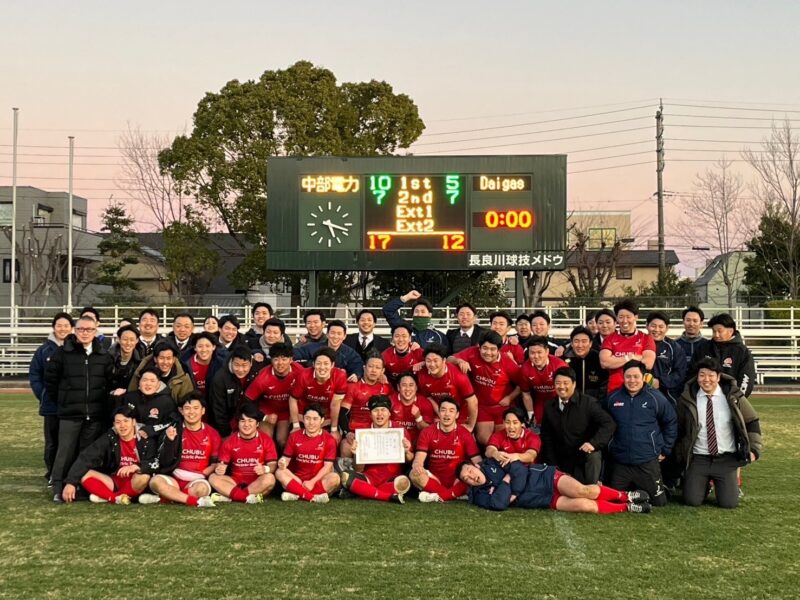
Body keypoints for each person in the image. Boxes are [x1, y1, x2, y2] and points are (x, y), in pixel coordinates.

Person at [674, 358, 762, 509]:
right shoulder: (687, 399)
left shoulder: (733, 397)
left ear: (719, 377)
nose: (706, 380)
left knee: (729, 503)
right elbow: (679, 428)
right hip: (699, 458)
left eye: (711, 375)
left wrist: (754, 449)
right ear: (697, 376)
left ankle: (722, 482)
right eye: (702, 375)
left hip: (725, 458)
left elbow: (751, 421)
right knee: (692, 500)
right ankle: (702, 484)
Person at [45, 315, 114, 503]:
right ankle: (59, 487)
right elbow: (51, 381)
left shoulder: (103, 355)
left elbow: (109, 383)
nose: (85, 333)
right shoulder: (62, 353)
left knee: (86, 454)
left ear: (95, 331)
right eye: (81, 329)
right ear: (75, 331)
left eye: (89, 329)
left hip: (95, 414)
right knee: (65, 451)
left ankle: (80, 487)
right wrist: (64, 401)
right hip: (69, 414)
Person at [61, 406, 171, 505]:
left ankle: (109, 496)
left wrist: (137, 467)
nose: (122, 426)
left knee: (144, 477)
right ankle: (116, 498)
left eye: (126, 421)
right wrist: (71, 483)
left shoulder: (145, 438)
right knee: (85, 474)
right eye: (118, 422)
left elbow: (156, 462)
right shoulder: (110, 437)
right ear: (114, 424)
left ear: (134, 422)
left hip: (136, 481)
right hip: (115, 481)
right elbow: (86, 457)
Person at [603, 360, 677, 507]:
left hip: (647, 461)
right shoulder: (612, 398)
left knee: (659, 503)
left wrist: (665, 449)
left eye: (636, 376)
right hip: (620, 461)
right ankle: (634, 490)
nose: (632, 381)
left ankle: (658, 487)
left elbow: (671, 422)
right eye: (628, 377)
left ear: (643, 377)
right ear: (623, 377)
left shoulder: (656, 398)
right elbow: (603, 424)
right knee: (614, 500)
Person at [458, 459, 651, 513]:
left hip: (546, 477)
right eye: (466, 478)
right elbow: (498, 504)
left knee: (582, 491)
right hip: (541, 499)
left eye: (470, 471)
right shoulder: (478, 495)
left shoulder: (492, 462)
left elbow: (518, 468)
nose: (471, 477)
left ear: (475, 466)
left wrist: (512, 488)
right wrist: (508, 480)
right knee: (586, 505)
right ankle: (627, 507)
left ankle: (625, 495)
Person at [139, 393, 220, 508]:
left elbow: (215, 463)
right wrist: (169, 441)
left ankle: (165, 498)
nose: (191, 412)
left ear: (203, 411)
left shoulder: (213, 434)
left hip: (197, 480)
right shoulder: (173, 430)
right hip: (174, 479)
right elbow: (164, 462)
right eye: (187, 408)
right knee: (155, 481)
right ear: (181, 411)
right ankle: (192, 501)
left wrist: (202, 474)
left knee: (201, 489)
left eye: (196, 408)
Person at [540, 367, 616, 484]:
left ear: (574, 384)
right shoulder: (549, 406)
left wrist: (593, 443)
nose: (561, 387)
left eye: (566, 383)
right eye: (558, 383)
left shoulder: (588, 403)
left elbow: (608, 423)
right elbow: (546, 436)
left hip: (582, 456)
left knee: (594, 455)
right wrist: (552, 464)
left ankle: (592, 487)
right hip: (561, 458)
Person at [339, 395, 414, 504]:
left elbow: (410, 459)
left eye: (383, 410)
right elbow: (358, 469)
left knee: (404, 482)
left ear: (389, 413)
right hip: (369, 477)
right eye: (376, 410)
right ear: (370, 414)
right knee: (345, 476)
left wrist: (407, 451)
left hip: (392, 479)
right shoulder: (363, 432)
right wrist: (356, 454)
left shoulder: (400, 431)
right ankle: (387, 497)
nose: (380, 414)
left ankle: (363, 492)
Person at [451, 331, 521, 446]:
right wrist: (459, 361)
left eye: (492, 349)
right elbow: (449, 359)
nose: (488, 353)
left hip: (502, 407)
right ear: (479, 347)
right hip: (482, 407)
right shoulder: (472, 352)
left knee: (505, 441)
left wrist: (509, 397)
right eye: (485, 348)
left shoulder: (507, 362)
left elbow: (522, 385)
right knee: (483, 439)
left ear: (499, 349)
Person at [29, 311, 74, 485]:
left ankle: (67, 473)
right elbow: (35, 375)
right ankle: (52, 474)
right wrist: (43, 394)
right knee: (52, 442)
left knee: (68, 442)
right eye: (59, 325)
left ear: (71, 328)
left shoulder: (76, 348)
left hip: (71, 405)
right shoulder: (43, 350)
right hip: (51, 405)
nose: (62, 329)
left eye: (66, 325)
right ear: (53, 328)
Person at [410, 397, 482, 502]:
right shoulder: (427, 432)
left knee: (475, 475)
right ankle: (451, 494)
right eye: (443, 410)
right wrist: (417, 466)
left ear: (457, 415)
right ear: (438, 413)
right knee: (414, 473)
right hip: (435, 479)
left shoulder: (465, 433)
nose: (447, 414)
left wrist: (480, 471)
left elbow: (477, 460)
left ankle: (438, 496)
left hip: (458, 479)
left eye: (451, 411)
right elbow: (418, 460)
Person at [209, 403, 277, 504]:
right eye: (242, 421)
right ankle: (246, 498)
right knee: (213, 477)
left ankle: (233, 496)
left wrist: (265, 469)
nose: (246, 424)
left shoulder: (266, 440)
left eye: (250, 421)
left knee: (270, 478)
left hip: (257, 482)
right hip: (235, 482)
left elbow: (273, 464)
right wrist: (220, 469)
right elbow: (221, 464)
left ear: (257, 424)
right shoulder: (229, 441)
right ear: (238, 423)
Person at [275, 403, 341, 503]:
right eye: (307, 418)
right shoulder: (294, 436)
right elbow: (285, 460)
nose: (311, 422)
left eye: (315, 419)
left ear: (322, 420)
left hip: (317, 480)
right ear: (303, 419)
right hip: (297, 480)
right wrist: (282, 462)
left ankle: (297, 494)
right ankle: (313, 497)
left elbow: (327, 467)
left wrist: (312, 482)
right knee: (279, 472)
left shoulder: (329, 439)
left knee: (335, 478)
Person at [245, 343, 303, 450]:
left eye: (284, 359)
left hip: (288, 411)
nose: (280, 363)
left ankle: (284, 464)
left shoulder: (299, 372)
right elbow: (247, 401)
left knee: (283, 441)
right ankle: (267, 464)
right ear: (271, 360)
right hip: (267, 410)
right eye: (276, 359)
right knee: (264, 440)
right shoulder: (263, 377)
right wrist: (263, 416)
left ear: (291, 360)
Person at [339, 354, 393, 457]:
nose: (374, 370)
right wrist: (348, 432)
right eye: (371, 366)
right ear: (364, 368)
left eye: (377, 368)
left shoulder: (387, 388)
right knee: (345, 446)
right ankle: (348, 472)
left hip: (379, 432)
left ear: (382, 371)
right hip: (356, 432)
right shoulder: (353, 387)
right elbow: (342, 413)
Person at [288, 347, 348, 439]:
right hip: (303, 413)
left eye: (326, 364)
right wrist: (296, 425)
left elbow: (335, 404)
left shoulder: (340, 376)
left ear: (332, 365)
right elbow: (293, 399)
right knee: (295, 437)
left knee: (334, 439)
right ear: (313, 364)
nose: (322, 367)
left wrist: (334, 429)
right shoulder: (303, 375)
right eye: (319, 363)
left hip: (326, 415)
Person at [692, 313, 756, 398]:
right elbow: (692, 373)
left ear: (731, 331)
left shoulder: (742, 352)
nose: (716, 335)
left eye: (720, 331)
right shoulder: (703, 348)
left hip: (730, 400)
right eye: (714, 331)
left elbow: (746, 379)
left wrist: (737, 399)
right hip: (703, 398)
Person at [599, 300, 656, 395]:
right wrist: (631, 357)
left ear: (636, 317)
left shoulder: (646, 338)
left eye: (628, 317)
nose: (624, 321)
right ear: (616, 318)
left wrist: (615, 360)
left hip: (640, 390)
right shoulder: (609, 339)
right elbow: (605, 362)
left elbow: (648, 363)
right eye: (621, 317)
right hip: (615, 389)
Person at [416, 343, 477, 430]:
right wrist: (441, 415)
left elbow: (472, 401)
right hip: (439, 412)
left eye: (436, 360)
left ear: (444, 360)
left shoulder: (458, 375)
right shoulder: (422, 374)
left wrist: (470, 426)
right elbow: (429, 397)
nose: (432, 365)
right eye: (428, 361)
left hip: (460, 414)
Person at [208, 345, 259, 437]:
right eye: (237, 365)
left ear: (251, 363)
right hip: (228, 421)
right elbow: (218, 409)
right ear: (231, 362)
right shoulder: (220, 378)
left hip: (250, 418)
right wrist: (226, 432)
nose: (240, 370)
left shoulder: (257, 372)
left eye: (244, 365)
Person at [519, 336, 568, 428]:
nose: (536, 356)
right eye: (532, 353)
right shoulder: (525, 369)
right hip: (540, 401)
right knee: (538, 426)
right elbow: (526, 394)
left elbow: (568, 390)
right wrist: (531, 414)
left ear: (547, 352)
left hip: (559, 399)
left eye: (539, 352)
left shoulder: (559, 365)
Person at [293, 319, 364, 380]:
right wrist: (311, 364)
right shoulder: (312, 347)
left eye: (339, 334)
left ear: (344, 336)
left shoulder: (350, 353)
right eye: (332, 333)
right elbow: (294, 354)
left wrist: (356, 375)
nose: (335, 336)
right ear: (327, 334)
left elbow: (357, 365)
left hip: (338, 385)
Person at [128, 341, 195, 405]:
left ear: (174, 359)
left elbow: (187, 403)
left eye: (168, 358)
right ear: (155, 359)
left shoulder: (183, 378)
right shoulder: (141, 373)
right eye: (161, 358)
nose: (165, 362)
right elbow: (131, 396)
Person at [118, 369, 179, 436]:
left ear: (159, 383)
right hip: (129, 437)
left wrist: (150, 430)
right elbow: (117, 417)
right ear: (139, 382)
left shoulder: (167, 401)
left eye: (152, 381)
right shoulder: (130, 397)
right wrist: (115, 398)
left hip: (154, 440)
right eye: (144, 380)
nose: (148, 384)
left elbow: (171, 422)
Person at [646, 311, 687, 406]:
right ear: (647, 326)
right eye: (653, 326)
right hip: (640, 392)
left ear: (667, 328)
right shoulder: (638, 343)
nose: (657, 330)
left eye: (661, 327)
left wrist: (660, 382)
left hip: (666, 395)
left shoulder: (674, 347)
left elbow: (680, 373)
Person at [382, 289, 447, 349]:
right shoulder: (404, 328)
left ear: (430, 315)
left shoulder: (439, 336)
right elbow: (388, 310)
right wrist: (407, 297)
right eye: (416, 311)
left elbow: (444, 357)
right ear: (412, 314)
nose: (419, 314)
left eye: (423, 311)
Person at [390, 372, 438, 445]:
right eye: (404, 385)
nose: (408, 389)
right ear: (398, 387)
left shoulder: (424, 403)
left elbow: (428, 431)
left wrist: (418, 418)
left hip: (418, 445)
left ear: (416, 388)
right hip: (394, 443)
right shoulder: (390, 401)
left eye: (411, 385)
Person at [563, 325, 607, 400]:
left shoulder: (599, 359)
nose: (580, 345)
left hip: (594, 405)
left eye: (584, 341)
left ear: (590, 343)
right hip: (571, 405)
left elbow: (604, 386)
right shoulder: (563, 361)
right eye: (576, 341)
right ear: (571, 343)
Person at [183, 331, 228, 401]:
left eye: (207, 346)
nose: (204, 350)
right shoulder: (186, 364)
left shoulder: (222, 364)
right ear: (195, 348)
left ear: (214, 347)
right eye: (200, 346)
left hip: (215, 404)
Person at [108, 324, 142, 396]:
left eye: (132, 340)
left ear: (137, 341)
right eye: (125, 339)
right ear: (118, 339)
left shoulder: (140, 362)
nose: (128, 343)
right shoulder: (108, 359)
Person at [676, 306, 705, 371]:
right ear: (683, 321)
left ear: (701, 323)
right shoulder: (674, 344)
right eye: (688, 320)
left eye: (695, 321)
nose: (691, 324)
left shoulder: (708, 344)